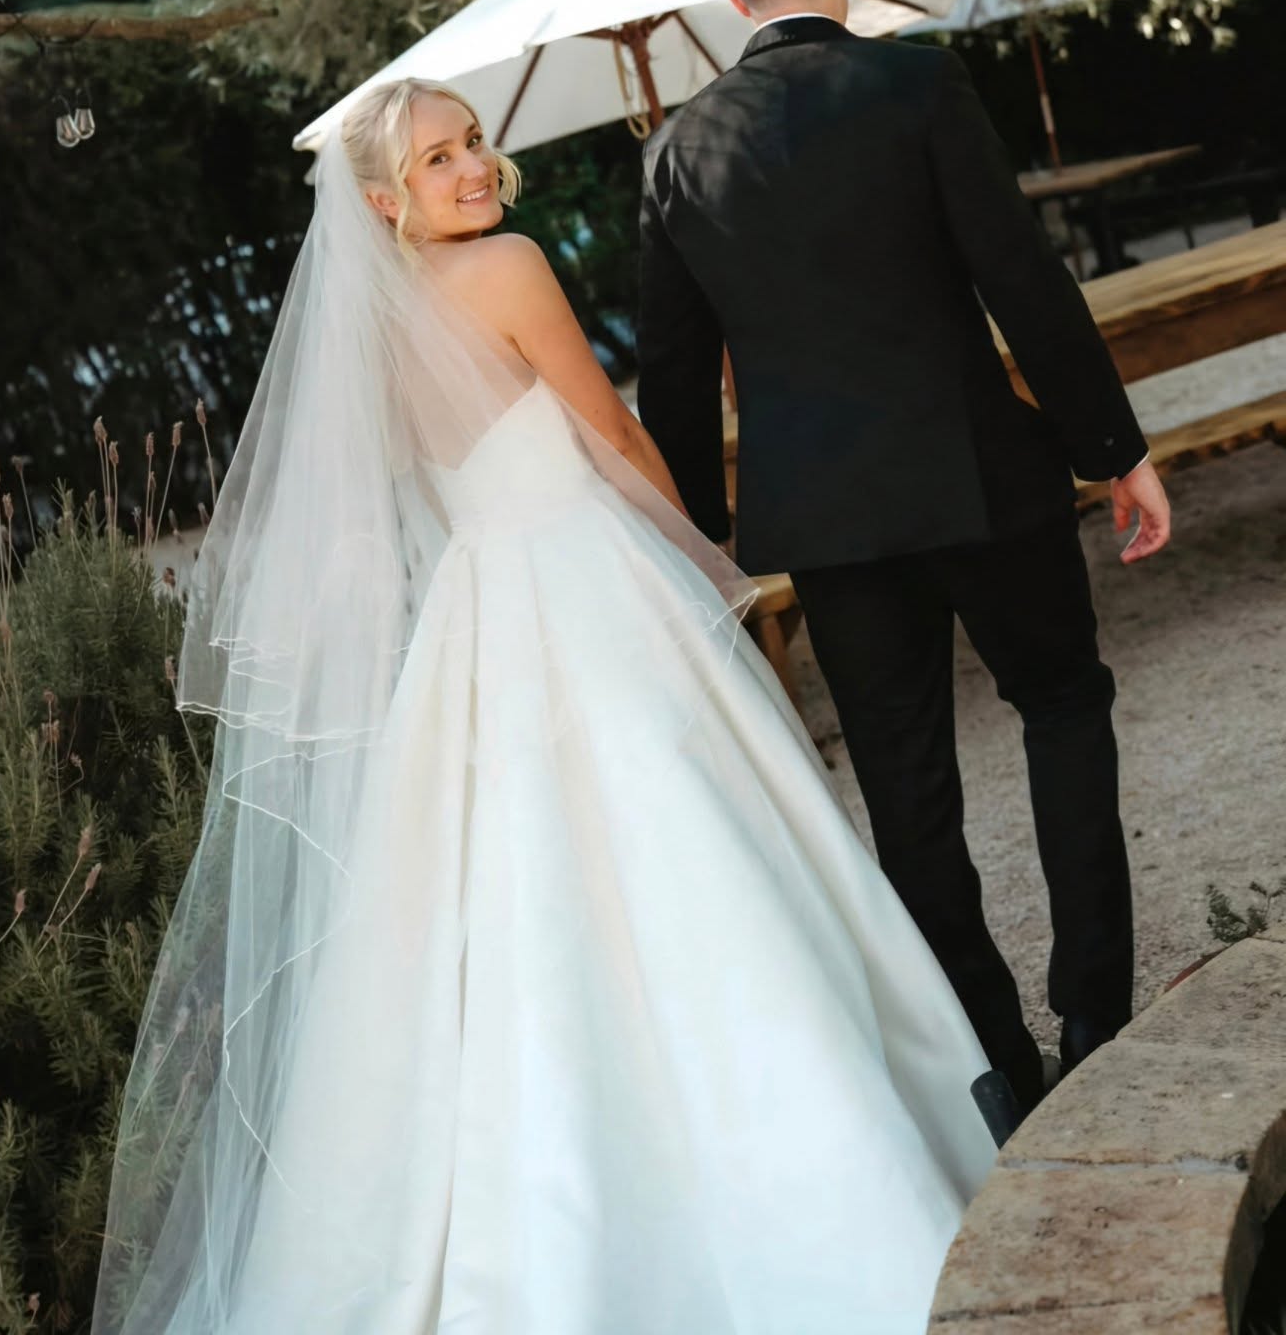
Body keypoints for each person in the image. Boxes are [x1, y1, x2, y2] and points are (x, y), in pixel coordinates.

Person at [93, 77, 997, 1335]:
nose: (476, 167)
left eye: (473, 142)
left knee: (503, 894)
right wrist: (704, 563)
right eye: (439, 158)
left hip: (476, 614)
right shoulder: (510, 266)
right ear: (383, 201)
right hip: (581, 578)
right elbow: (611, 436)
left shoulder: (366, 329)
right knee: (682, 847)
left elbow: (403, 508)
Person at [636, 0, 1172, 1123]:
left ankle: (1001, 1067)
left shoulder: (674, 154)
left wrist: (697, 540)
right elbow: (1022, 282)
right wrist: (1115, 450)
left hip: (828, 528)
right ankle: (1096, 1016)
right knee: (1063, 706)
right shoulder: (920, 85)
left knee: (906, 790)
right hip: (985, 478)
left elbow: (674, 381)